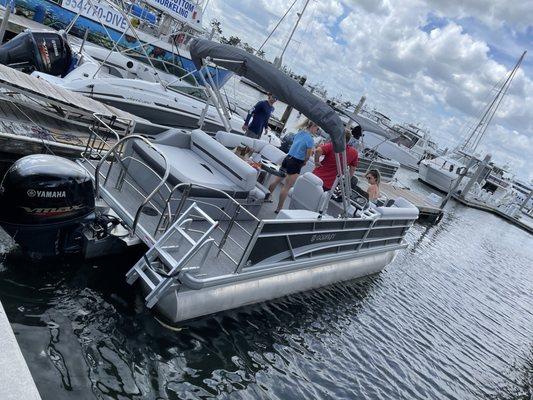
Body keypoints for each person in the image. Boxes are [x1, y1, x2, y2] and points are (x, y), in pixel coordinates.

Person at [267, 119, 317, 213]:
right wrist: (304, 162)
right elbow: (307, 155)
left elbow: (297, 144)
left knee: (276, 180)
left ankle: (267, 197)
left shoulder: (300, 132)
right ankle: (279, 209)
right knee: (286, 187)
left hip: (288, 158)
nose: (317, 131)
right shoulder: (310, 139)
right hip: (296, 162)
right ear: (312, 126)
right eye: (316, 128)